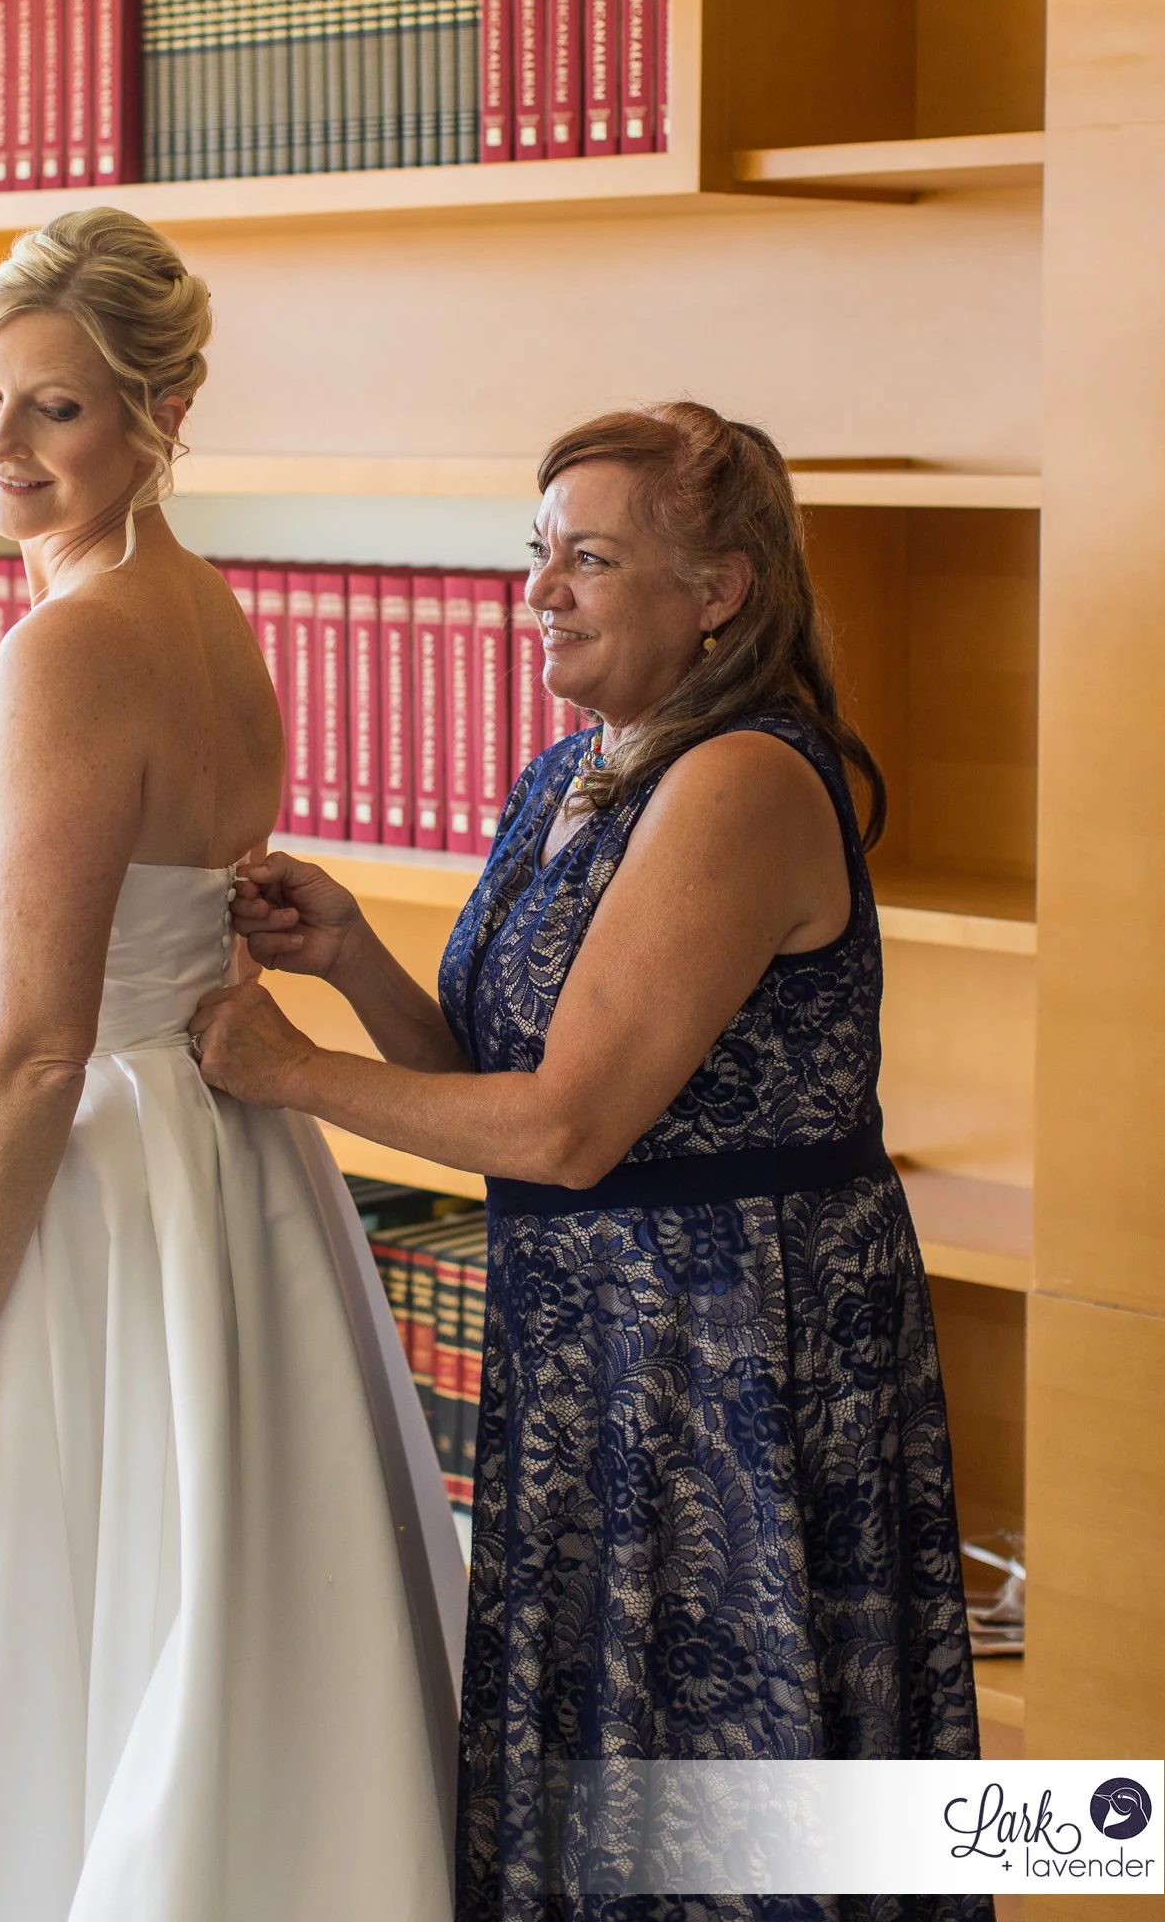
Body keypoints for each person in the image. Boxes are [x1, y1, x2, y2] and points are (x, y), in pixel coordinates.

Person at [192, 402, 988, 1922]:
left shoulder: (745, 780)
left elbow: (566, 1127)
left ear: (720, 591)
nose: (540, 590)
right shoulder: (572, 772)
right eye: (536, 552)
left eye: (591, 557)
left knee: (734, 1800)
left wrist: (294, 1075)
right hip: (592, 1342)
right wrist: (352, 956)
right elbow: (494, 1092)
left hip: (732, 1349)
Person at [0, 210, 464, 1922]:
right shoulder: (213, 617)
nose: (1, 447)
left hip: (85, 1185)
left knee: (29, 1609)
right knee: (213, 1592)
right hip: (222, 1158)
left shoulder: (69, 649)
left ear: (155, 411)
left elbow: (38, 1051)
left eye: (57, 409)